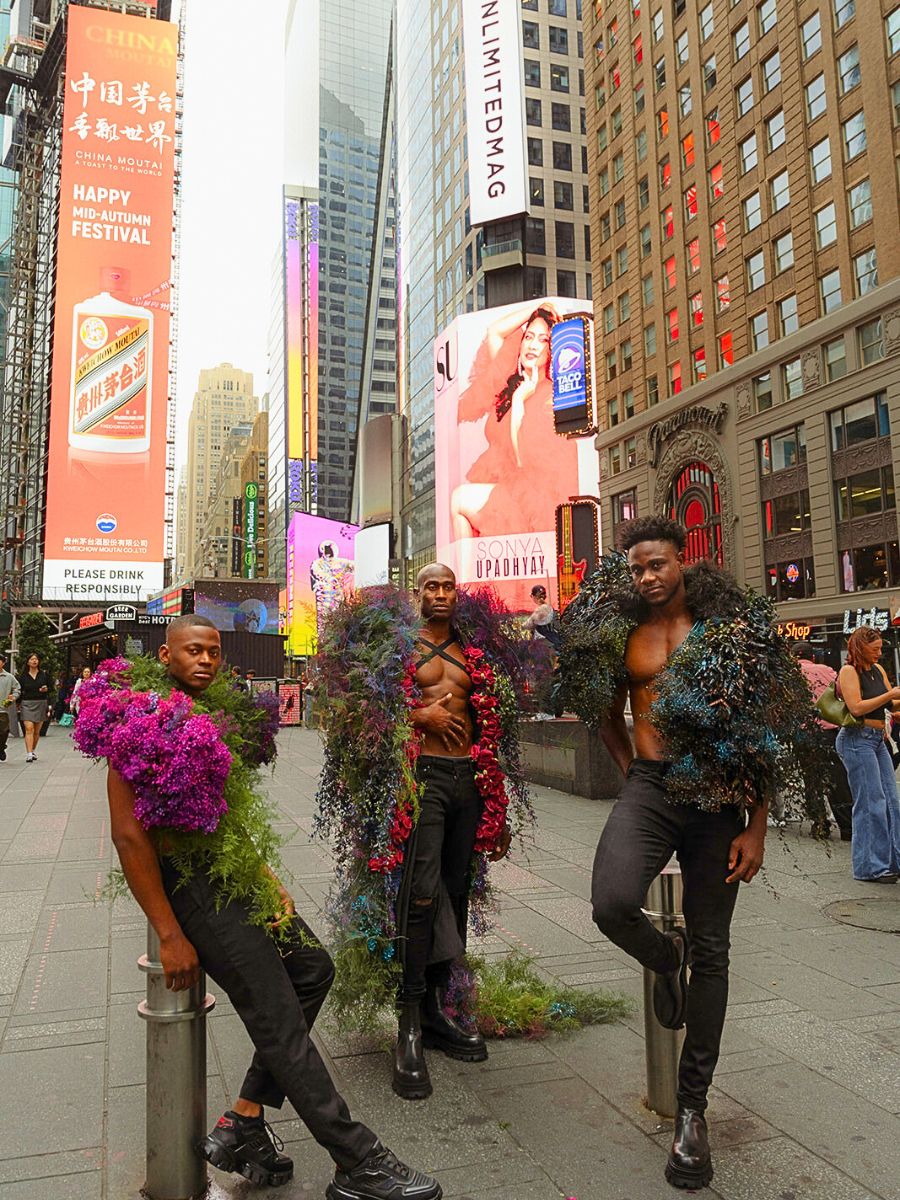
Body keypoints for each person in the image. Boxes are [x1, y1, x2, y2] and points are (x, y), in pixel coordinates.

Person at [102, 616, 442, 1200]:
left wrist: (264, 877)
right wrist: (169, 931)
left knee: (313, 969)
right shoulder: (142, 721)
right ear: (166, 655)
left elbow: (224, 815)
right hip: (196, 893)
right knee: (278, 1019)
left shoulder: (213, 716)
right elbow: (130, 839)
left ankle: (243, 1122)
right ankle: (358, 1160)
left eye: (213, 651)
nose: (205, 660)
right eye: (193, 651)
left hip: (236, 878)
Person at [558, 517, 827, 1192]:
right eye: (637, 569)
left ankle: (693, 1111)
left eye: (657, 564)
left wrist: (756, 826)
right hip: (652, 787)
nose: (647, 577)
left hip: (717, 798)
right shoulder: (624, 633)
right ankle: (662, 955)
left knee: (714, 949)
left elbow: (760, 726)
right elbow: (604, 709)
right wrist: (630, 771)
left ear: (684, 560)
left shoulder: (728, 631)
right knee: (612, 902)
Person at [450, 302, 578, 540]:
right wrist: (537, 310)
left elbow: (522, 461)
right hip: (506, 489)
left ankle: (466, 579)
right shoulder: (508, 380)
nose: (533, 345)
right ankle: (467, 576)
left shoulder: (552, 396)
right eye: (529, 336)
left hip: (532, 500)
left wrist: (520, 401)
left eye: (543, 340)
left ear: (552, 350)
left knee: (459, 499)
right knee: (461, 504)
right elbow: (495, 331)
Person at [834, 626, 900, 883]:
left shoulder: (878, 670)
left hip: (876, 739)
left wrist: (894, 699)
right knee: (871, 802)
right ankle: (869, 866)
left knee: (892, 802)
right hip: (856, 740)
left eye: (881, 649)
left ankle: (893, 860)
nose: (880, 654)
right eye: (875, 650)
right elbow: (856, 707)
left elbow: (890, 704)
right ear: (861, 648)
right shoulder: (848, 671)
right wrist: (891, 694)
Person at [790, 643, 853, 840]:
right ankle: (847, 827)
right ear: (813, 657)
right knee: (837, 779)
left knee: (811, 780)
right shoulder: (826, 670)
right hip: (828, 733)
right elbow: (842, 693)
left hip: (803, 734)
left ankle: (819, 824)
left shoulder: (788, 675)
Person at [18, 653, 52, 763]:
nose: (34, 661)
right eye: (32, 659)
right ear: (27, 662)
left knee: (37, 731)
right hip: (27, 703)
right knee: (29, 728)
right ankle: (28, 754)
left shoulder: (44, 675)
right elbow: (18, 691)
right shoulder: (22, 677)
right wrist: (16, 703)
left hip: (41, 703)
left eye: (36, 659)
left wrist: (46, 689)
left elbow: (51, 688)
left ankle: (32, 750)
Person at [523, 585, 562, 652]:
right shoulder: (552, 610)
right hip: (555, 642)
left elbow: (527, 625)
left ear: (533, 596)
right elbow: (558, 626)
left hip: (545, 645)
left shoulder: (541, 610)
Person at [0, 654, 21, 762]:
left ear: (3, 663)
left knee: (4, 731)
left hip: (3, 708)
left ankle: (1, 747)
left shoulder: (9, 677)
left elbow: (17, 689)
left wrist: (13, 697)